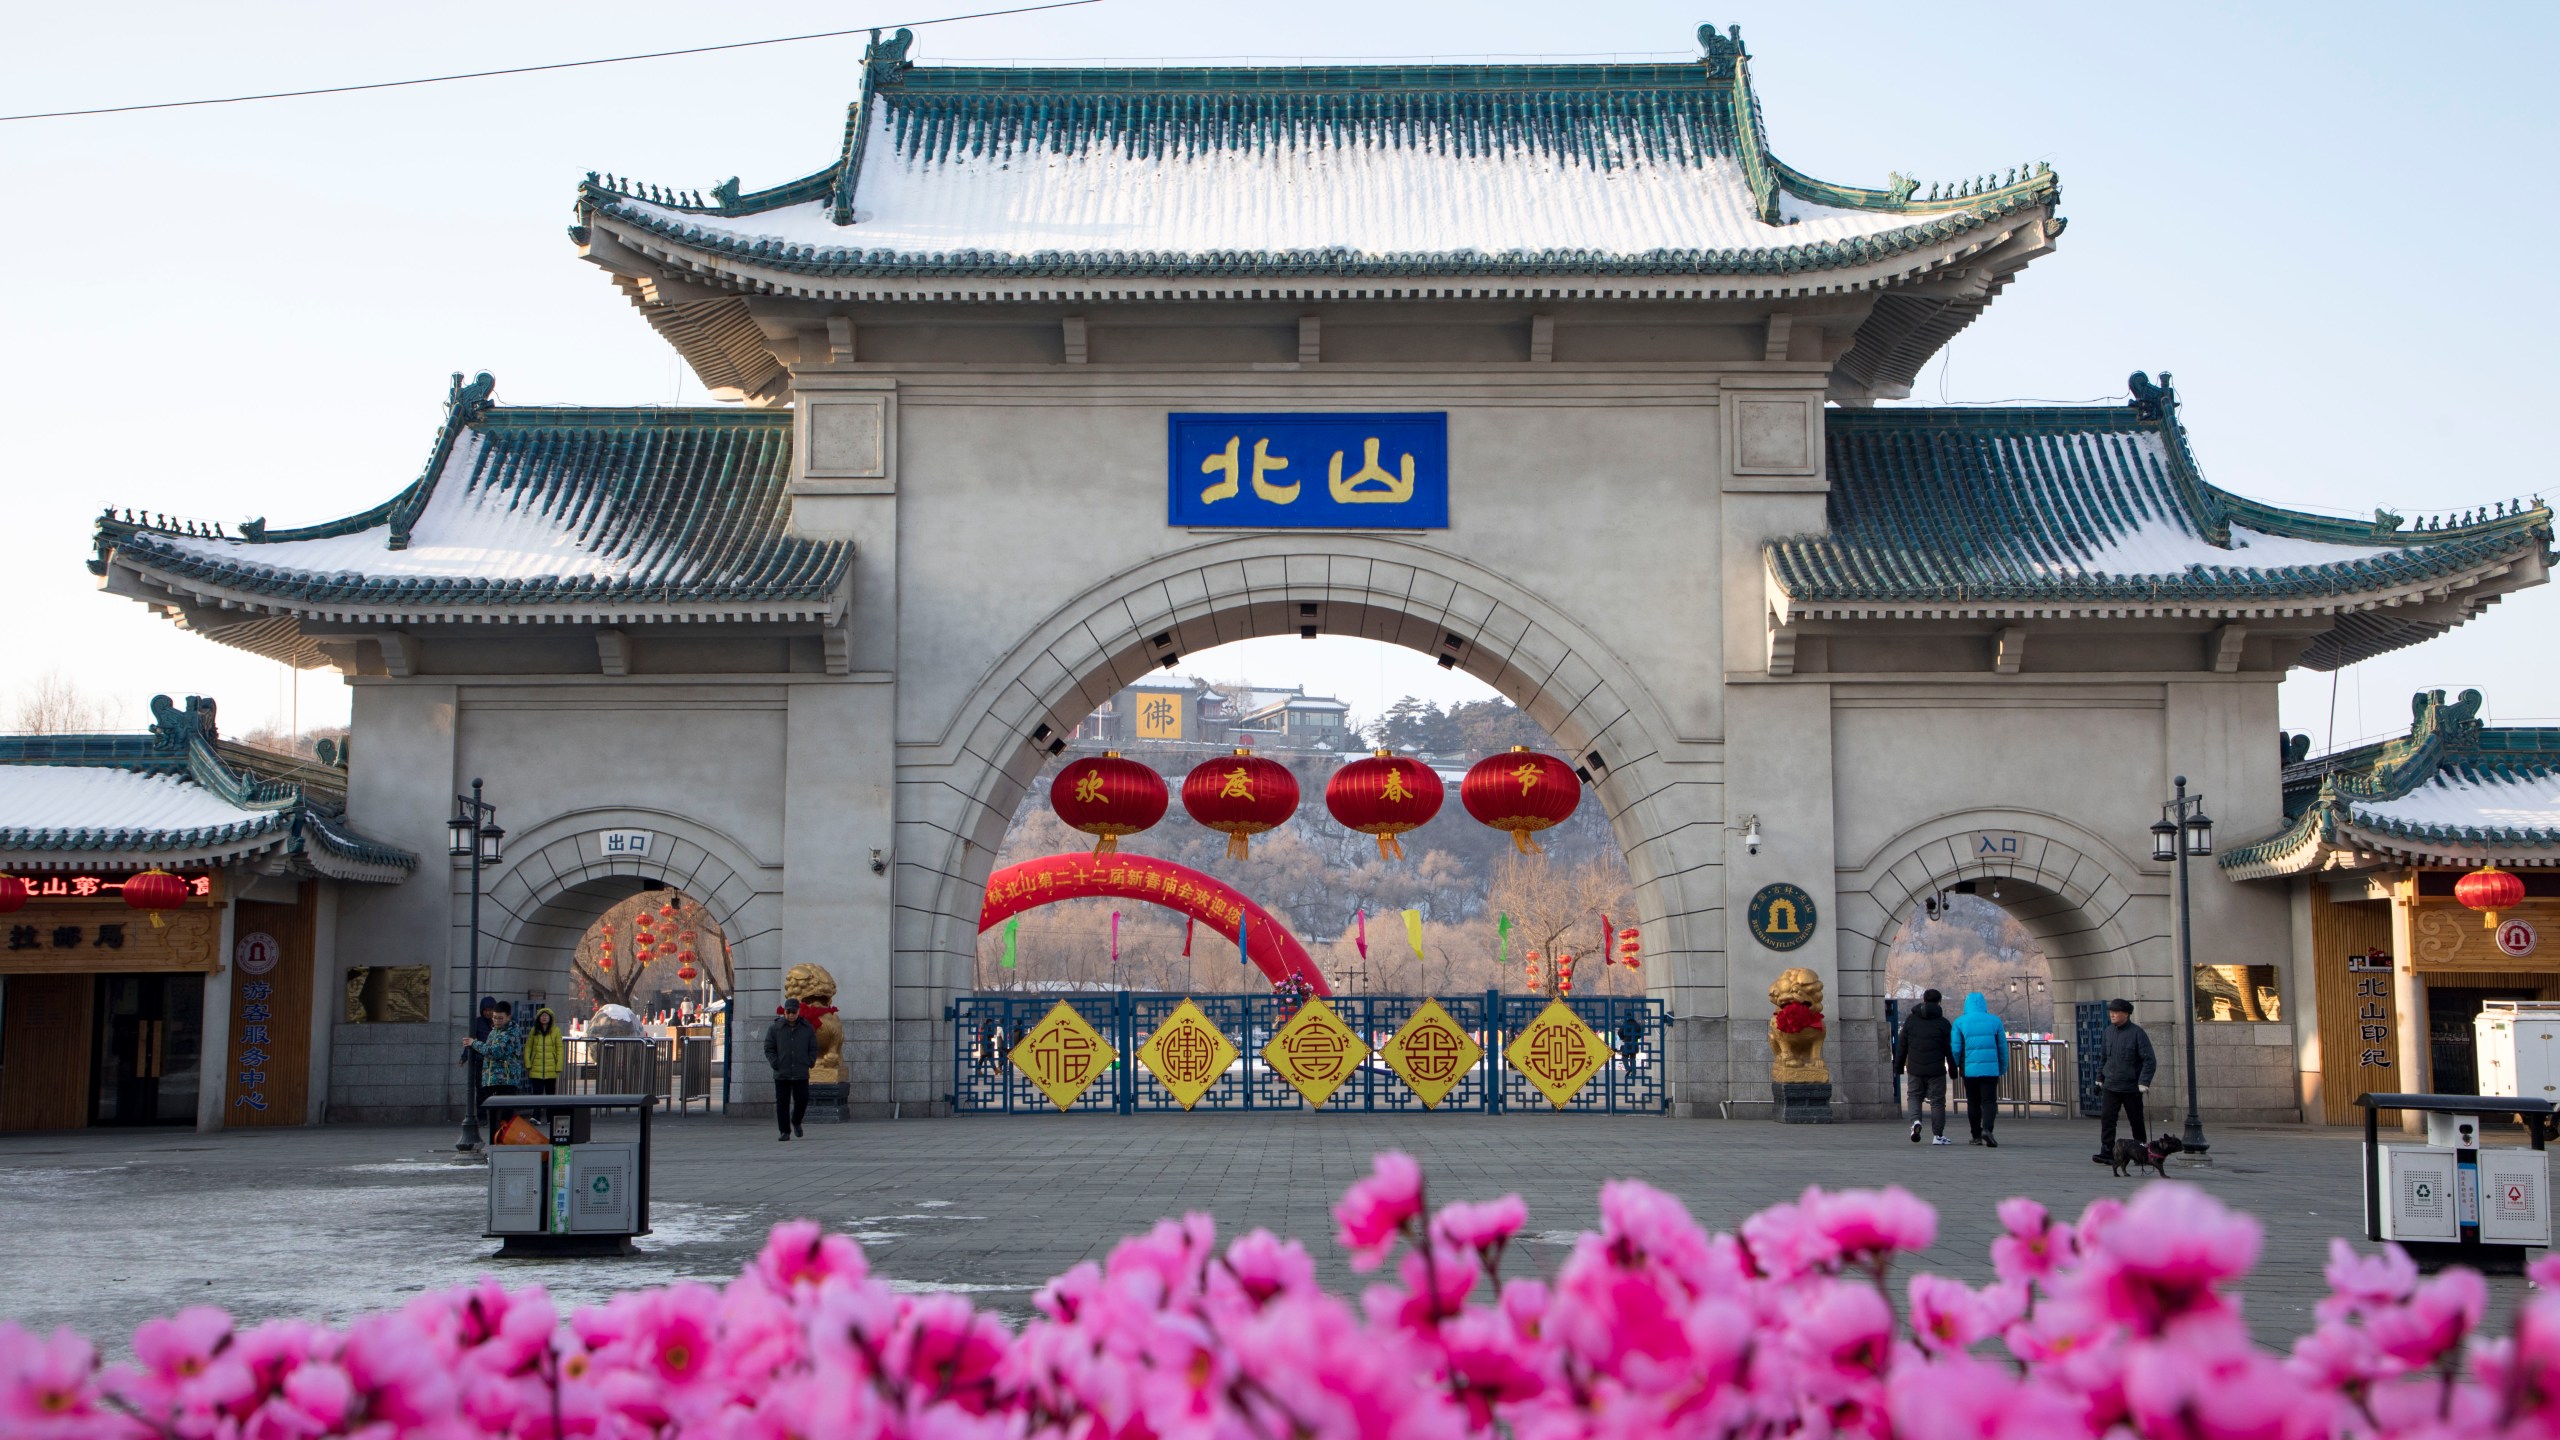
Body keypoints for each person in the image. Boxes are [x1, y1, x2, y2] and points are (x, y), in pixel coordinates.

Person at [2093, 997, 2159, 1162]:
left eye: (2116, 1012)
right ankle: (2107, 1151)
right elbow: (2103, 1058)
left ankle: (2142, 1152)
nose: (2112, 1015)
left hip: (2131, 1087)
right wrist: (2099, 1078)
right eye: (2111, 1012)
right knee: (2107, 1120)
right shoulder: (2108, 1032)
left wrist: (2144, 1081)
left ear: (2126, 1014)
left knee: (2136, 1121)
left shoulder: (2137, 1033)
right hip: (2111, 1085)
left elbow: (2149, 1059)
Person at [1893, 989, 1958, 1145]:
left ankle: (1915, 1121)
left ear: (1923, 999)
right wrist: (1953, 1068)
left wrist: (1898, 1067)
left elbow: (1902, 1046)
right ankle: (1938, 1136)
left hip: (1915, 1067)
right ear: (1939, 1001)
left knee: (1914, 1096)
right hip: (1936, 1069)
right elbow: (1949, 1048)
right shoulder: (1943, 1023)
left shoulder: (1911, 1021)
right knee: (1937, 1101)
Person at [1950, 991, 2009, 1147]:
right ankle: (1988, 1129)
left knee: (1973, 1102)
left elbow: (1956, 1049)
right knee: (1989, 1101)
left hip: (1970, 1070)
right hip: (1991, 1069)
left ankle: (1976, 1135)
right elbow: (2002, 1048)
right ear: (1984, 1004)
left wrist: (1955, 1066)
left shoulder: (1959, 1022)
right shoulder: (1995, 1022)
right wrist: (2002, 1067)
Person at [467, 998, 527, 1128]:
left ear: (508, 1017)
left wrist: (474, 1043)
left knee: (505, 1115)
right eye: (495, 1018)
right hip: (492, 1079)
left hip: (506, 1079)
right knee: (493, 1115)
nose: (496, 1021)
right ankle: (495, 1142)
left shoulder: (511, 1032)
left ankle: (505, 1142)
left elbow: (495, 1051)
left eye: (500, 1018)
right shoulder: (494, 1031)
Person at [765, 997, 818, 1141]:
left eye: (794, 1012)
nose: (791, 1015)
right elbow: (769, 1048)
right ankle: (784, 1131)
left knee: (802, 1100)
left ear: (798, 1012)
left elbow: (813, 1048)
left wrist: (810, 1061)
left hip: (801, 1071)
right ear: (784, 1012)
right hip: (782, 1072)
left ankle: (796, 1120)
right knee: (782, 1103)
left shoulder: (807, 1028)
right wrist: (775, 1063)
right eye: (788, 1012)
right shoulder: (775, 1028)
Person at [523, 1007, 564, 1113]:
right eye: (542, 1016)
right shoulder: (534, 1031)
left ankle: (550, 1117)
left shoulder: (556, 1031)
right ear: (538, 1018)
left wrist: (558, 1066)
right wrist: (528, 1063)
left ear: (550, 1018)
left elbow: (559, 1049)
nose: (544, 1018)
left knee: (550, 1094)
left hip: (551, 1069)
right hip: (536, 1068)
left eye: (546, 1016)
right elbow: (528, 1047)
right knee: (537, 1094)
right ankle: (536, 1116)